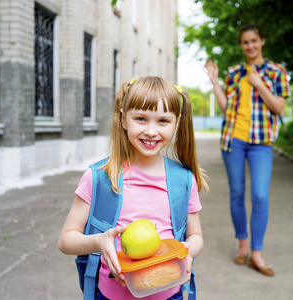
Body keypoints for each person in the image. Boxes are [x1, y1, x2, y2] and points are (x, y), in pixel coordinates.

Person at [58, 76, 208, 300]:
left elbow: (195, 236)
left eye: (163, 121)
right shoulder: (99, 177)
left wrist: (187, 252)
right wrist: (98, 241)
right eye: (141, 118)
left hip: (169, 294)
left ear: (176, 123)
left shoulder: (184, 180)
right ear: (124, 119)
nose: (151, 131)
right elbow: (66, 240)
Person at [205, 24, 290, 277]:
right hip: (233, 140)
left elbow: (278, 107)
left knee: (260, 195)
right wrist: (215, 83)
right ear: (241, 45)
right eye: (245, 42)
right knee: (237, 192)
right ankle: (242, 247)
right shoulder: (233, 72)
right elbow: (226, 108)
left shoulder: (276, 72)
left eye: (254, 41)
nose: (250, 46)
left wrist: (258, 83)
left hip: (261, 143)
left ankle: (257, 253)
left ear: (262, 41)